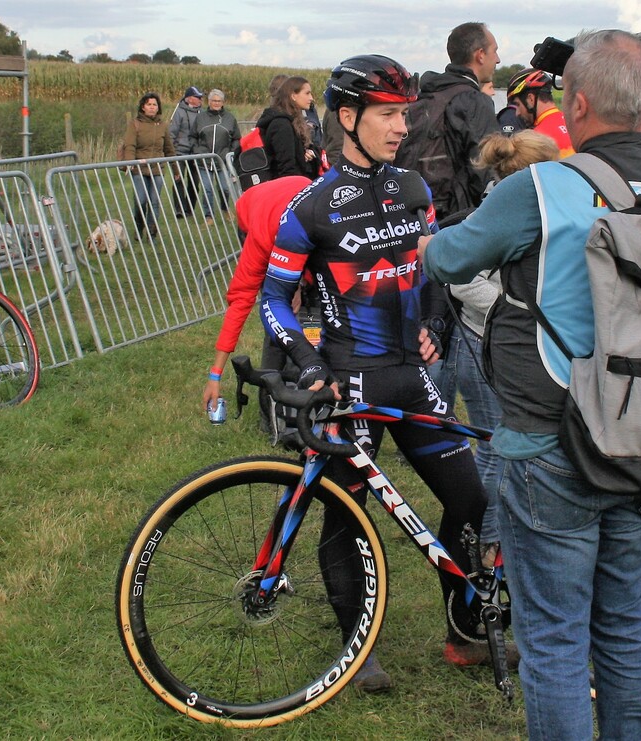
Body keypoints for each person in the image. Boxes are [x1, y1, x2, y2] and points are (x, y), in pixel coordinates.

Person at [420, 29, 641, 740]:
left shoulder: (544, 186)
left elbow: (449, 257)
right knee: (621, 617)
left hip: (551, 439)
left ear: (579, 103)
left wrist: (426, 244)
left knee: (556, 636)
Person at [259, 53, 496, 692]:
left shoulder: (415, 190)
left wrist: (430, 326)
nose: (401, 127)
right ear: (347, 116)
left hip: (410, 375)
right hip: (347, 381)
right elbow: (273, 299)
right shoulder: (311, 207)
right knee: (349, 517)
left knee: (471, 500)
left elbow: (428, 270)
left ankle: (466, 631)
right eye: (388, 114)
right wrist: (310, 366)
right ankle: (356, 649)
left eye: (404, 114)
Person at [437, 129, 561, 566]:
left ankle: (484, 537)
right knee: (493, 447)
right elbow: (461, 278)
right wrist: (517, 312)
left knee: (500, 447)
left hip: (503, 343)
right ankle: (484, 543)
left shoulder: (522, 205)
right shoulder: (499, 211)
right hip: (485, 344)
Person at [201, 176, 312, 412]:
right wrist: (215, 374)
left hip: (298, 205)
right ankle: (269, 407)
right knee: (276, 311)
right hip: (255, 212)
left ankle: (306, 386)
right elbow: (240, 300)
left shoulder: (322, 219)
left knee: (310, 308)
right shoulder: (262, 237)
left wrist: (301, 284)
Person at [414, 21, 501, 217]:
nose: (498, 60)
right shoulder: (474, 101)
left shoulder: (427, 94)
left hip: (421, 212)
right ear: (480, 55)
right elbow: (486, 170)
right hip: (458, 218)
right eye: (494, 51)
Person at [122, 92, 179, 241]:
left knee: (154, 202)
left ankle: (151, 232)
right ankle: (139, 227)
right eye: (149, 104)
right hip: (139, 169)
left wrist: (175, 169)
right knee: (141, 201)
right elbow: (130, 145)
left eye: (155, 104)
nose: (152, 107)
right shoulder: (135, 124)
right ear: (143, 107)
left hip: (157, 169)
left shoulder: (162, 126)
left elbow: (169, 149)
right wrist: (129, 163)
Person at [256, 76, 320, 180]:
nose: (311, 98)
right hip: (287, 187)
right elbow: (286, 169)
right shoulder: (282, 125)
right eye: (307, 93)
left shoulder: (292, 121)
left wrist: (307, 153)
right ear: (293, 96)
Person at [192, 88, 241, 225]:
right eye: (214, 101)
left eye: (219, 101)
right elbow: (193, 137)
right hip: (204, 161)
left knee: (225, 188)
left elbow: (237, 138)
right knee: (207, 188)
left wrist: (230, 153)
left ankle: (225, 208)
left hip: (222, 161)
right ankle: (209, 216)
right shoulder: (200, 117)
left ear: (223, 102)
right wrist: (197, 151)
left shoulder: (230, 118)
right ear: (209, 101)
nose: (216, 103)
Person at [504, 68, 574, 157]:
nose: (517, 113)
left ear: (530, 99)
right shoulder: (575, 124)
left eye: (517, 105)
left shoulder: (536, 140)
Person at [169, 85, 203, 219]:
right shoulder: (178, 112)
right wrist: (171, 153)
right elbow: (171, 133)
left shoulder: (203, 113)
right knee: (178, 180)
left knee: (194, 182)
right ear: (189, 99)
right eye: (197, 97)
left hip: (195, 153)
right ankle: (179, 209)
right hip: (179, 152)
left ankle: (189, 209)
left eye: (200, 97)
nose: (200, 99)